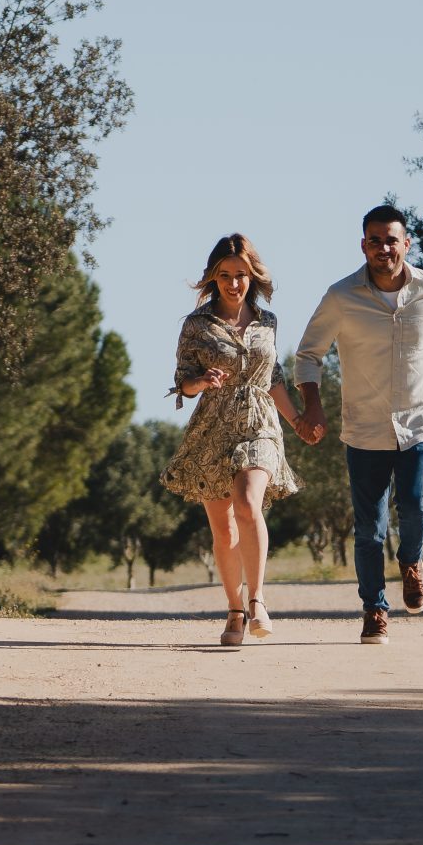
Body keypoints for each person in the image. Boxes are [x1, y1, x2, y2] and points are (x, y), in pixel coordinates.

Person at [290, 205, 423, 643]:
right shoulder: (341, 296)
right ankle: (374, 609)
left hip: (422, 421)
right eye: (375, 241)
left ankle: (411, 561)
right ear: (363, 246)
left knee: (416, 506)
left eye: (391, 240)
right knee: (369, 528)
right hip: (365, 427)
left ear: (407, 244)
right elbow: (308, 354)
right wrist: (313, 405)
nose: (384, 248)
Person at [160, 233, 321, 645]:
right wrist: (201, 380)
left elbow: (273, 378)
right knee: (223, 527)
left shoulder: (268, 321)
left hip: (259, 423)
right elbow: (183, 382)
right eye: (225, 275)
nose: (234, 284)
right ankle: (234, 609)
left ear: (253, 277)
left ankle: (257, 600)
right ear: (213, 278)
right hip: (213, 426)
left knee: (249, 505)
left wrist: (297, 420)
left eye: (241, 275)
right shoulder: (196, 325)